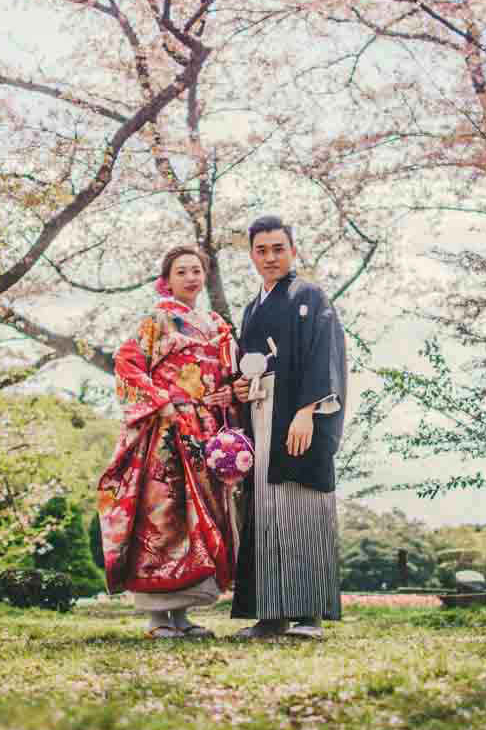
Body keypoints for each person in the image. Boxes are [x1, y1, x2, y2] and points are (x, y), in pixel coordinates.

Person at [96, 244, 240, 639]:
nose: (191, 277)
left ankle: (183, 615)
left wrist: (226, 395)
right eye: (182, 272)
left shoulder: (217, 325)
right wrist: (161, 404)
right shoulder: (156, 319)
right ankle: (159, 618)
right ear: (168, 279)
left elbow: (225, 377)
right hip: (166, 428)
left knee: (200, 518)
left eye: (196, 270)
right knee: (164, 517)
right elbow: (127, 364)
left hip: (204, 430)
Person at [231, 214, 347, 639]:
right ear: (251, 256)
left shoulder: (311, 296)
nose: (270, 257)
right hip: (263, 413)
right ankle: (271, 613)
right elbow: (249, 364)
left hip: (299, 414)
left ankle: (308, 615)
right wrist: (243, 389)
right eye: (261, 250)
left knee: (302, 508)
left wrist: (307, 410)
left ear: (293, 251)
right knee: (266, 511)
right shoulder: (251, 308)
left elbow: (325, 355)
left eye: (278, 248)